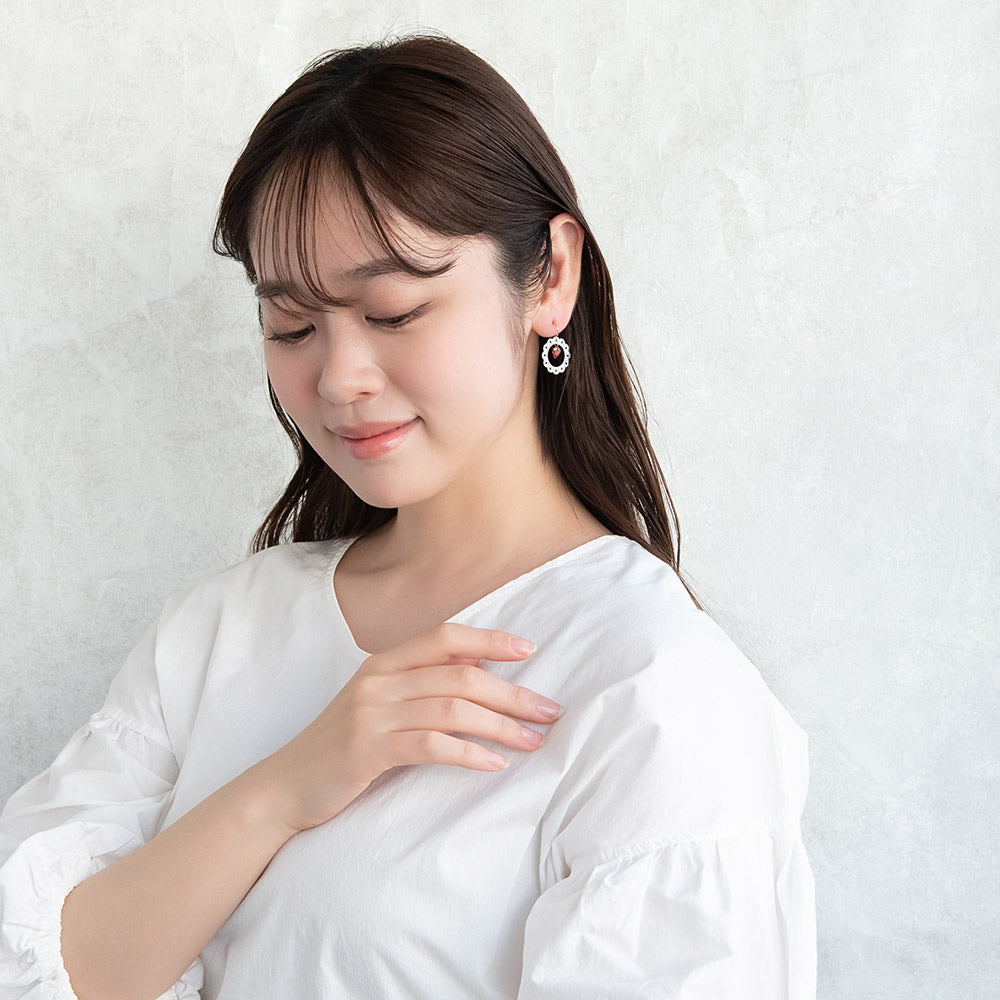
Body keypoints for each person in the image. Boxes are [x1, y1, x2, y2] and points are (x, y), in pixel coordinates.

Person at [0, 33, 815, 1000]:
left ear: (550, 277)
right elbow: (51, 965)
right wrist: (287, 787)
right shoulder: (222, 627)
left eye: (393, 313)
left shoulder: (652, 686)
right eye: (291, 326)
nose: (339, 379)